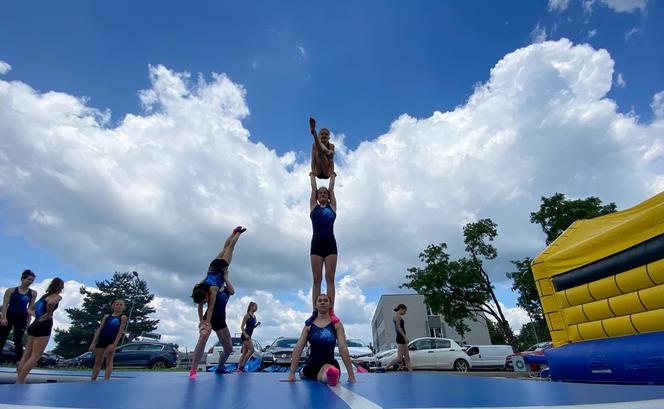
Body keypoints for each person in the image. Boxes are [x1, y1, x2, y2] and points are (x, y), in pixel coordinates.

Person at [189, 226, 245, 380]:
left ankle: (220, 368)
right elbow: (204, 306)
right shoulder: (201, 290)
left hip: (216, 270)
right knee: (229, 248)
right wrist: (203, 323)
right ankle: (193, 370)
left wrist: (205, 321)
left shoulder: (212, 288)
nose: (205, 301)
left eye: (205, 299)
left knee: (228, 348)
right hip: (214, 268)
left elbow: (212, 306)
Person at [288, 293, 355, 386]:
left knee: (327, 370)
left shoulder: (337, 324)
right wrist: (291, 374)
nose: (322, 302)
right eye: (319, 301)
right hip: (311, 365)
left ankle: (329, 375)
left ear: (330, 305)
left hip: (330, 364)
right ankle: (309, 373)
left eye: (325, 300)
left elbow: (343, 348)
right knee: (303, 373)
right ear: (315, 305)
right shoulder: (309, 325)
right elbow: (298, 348)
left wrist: (351, 375)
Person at [16, 277, 64, 384]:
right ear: (60, 287)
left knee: (27, 354)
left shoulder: (44, 297)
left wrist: (38, 316)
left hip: (35, 325)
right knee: (35, 356)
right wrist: (49, 313)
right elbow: (51, 303)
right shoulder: (57, 296)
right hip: (44, 325)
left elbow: (29, 309)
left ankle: (19, 379)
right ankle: (20, 381)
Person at [307, 172, 339, 325]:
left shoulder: (332, 208)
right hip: (316, 244)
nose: (323, 194)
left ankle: (331, 311)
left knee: (330, 278)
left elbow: (332, 190)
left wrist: (332, 177)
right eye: (320, 193)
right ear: (317, 197)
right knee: (316, 278)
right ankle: (315, 311)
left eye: (325, 193)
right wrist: (312, 177)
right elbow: (313, 191)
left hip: (330, 244)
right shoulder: (314, 207)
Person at [0, 270, 37, 366]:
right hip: (9, 315)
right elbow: (5, 305)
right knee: (2, 338)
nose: (30, 282)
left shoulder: (32, 293)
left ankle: (19, 362)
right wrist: (3, 318)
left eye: (32, 280)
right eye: (29, 279)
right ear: (22, 279)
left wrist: (28, 323)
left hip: (21, 317)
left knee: (18, 340)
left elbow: (30, 309)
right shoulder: (11, 290)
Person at [89, 299, 127, 380]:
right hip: (102, 339)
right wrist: (93, 342)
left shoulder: (123, 317)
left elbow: (120, 332)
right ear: (113, 306)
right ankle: (93, 379)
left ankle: (106, 380)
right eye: (117, 304)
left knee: (108, 361)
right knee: (98, 361)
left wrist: (114, 344)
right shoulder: (106, 316)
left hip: (112, 340)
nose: (119, 306)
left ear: (123, 307)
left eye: (121, 305)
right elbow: (100, 329)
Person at [387, 304, 412, 371]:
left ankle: (412, 373)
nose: (405, 312)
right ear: (401, 309)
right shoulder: (397, 316)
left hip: (401, 337)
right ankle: (386, 368)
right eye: (405, 311)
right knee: (399, 358)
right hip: (400, 337)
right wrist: (405, 336)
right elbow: (398, 327)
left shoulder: (397, 316)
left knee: (407, 358)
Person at [237, 301, 260, 372]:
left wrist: (256, 325)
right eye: (255, 306)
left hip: (249, 335)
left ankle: (238, 368)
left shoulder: (254, 317)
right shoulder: (247, 315)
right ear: (251, 307)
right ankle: (242, 366)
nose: (256, 308)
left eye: (257, 307)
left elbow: (251, 327)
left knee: (244, 353)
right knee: (252, 350)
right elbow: (242, 327)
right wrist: (246, 335)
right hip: (245, 336)